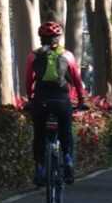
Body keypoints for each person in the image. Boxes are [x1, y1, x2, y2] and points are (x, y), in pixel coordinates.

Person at [24, 21, 89, 186]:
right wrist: (82, 101)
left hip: (41, 100)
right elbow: (76, 80)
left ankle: (40, 169)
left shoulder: (33, 55)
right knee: (66, 132)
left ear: (41, 38)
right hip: (62, 101)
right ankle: (67, 160)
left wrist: (31, 98)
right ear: (58, 38)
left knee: (39, 135)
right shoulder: (67, 55)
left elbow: (28, 80)